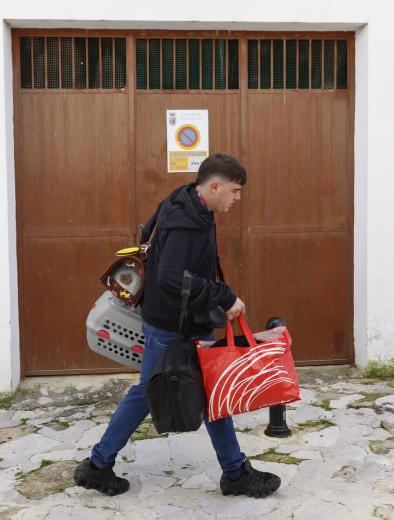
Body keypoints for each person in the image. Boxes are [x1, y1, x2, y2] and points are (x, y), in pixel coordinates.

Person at [74, 153, 281, 498]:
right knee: (199, 392)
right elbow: (171, 278)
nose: (237, 198)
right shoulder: (187, 221)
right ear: (214, 187)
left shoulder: (185, 201)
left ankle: (99, 465)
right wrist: (223, 296)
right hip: (176, 325)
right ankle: (233, 473)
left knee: (179, 391)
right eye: (234, 191)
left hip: (175, 319)